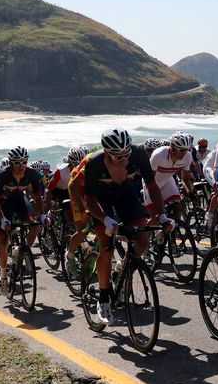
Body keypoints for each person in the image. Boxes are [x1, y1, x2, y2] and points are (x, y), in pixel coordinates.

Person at [68, 128, 168, 326]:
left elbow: (152, 187)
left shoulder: (138, 154)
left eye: (126, 154)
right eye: (118, 156)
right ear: (107, 152)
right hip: (100, 199)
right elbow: (90, 199)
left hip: (125, 194)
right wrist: (105, 219)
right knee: (106, 245)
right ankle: (104, 298)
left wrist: (162, 215)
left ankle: (122, 268)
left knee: (143, 236)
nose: (124, 159)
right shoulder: (94, 163)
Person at [0, 147, 46, 297]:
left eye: (24, 162)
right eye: (17, 162)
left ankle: (25, 252)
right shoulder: (3, 175)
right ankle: (3, 275)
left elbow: (38, 197)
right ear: (10, 163)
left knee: (34, 225)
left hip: (19, 200)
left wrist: (42, 215)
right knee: (3, 240)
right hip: (3, 204)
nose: (21, 166)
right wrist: (2, 219)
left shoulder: (31, 174)